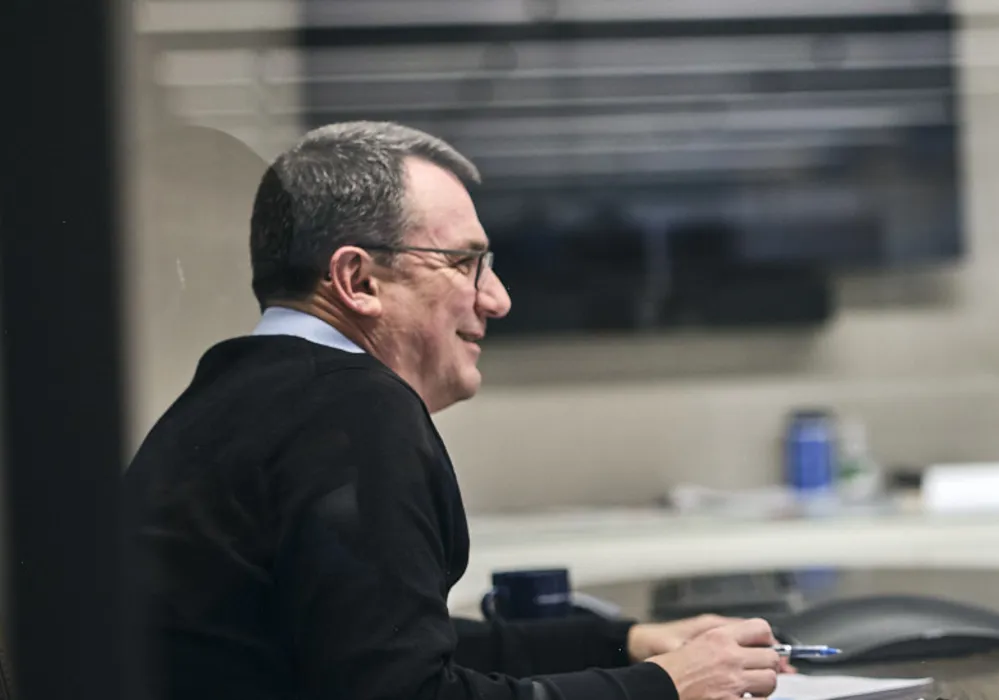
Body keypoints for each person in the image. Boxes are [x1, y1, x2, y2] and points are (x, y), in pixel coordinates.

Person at [123, 122, 786, 700]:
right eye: (465, 263)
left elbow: (375, 648)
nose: (495, 299)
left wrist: (628, 641)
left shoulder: (233, 396)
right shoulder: (354, 408)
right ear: (358, 281)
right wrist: (667, 688)